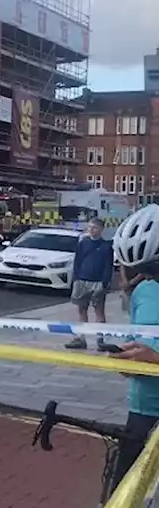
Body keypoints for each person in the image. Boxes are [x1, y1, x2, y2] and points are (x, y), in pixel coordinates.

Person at [104, 204, 159, 492]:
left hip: (146, 412)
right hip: (144, 408)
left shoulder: (146, 291)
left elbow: (149, 356)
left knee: (125, 493)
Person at [65, 217, 115, 349]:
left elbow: (108, 266)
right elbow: (78, 261)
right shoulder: (83, 243)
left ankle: (100, 339)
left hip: (98, 282)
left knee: (99, 311)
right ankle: (81, 338)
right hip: (82, 280)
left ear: (101, 229)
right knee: (82, 310)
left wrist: (105, 282)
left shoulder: (106, 246)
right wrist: (76, 278)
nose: (91, 230)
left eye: (95, 228)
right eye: (90, 227)